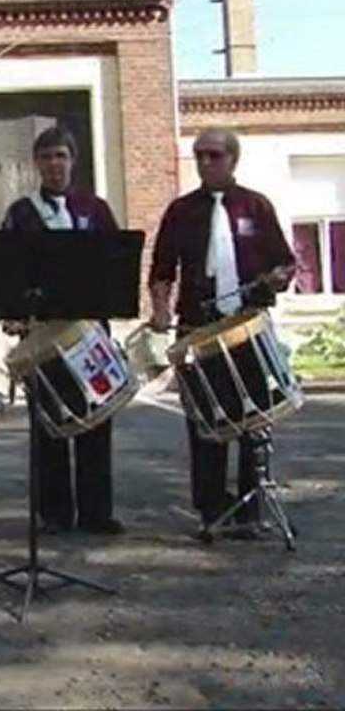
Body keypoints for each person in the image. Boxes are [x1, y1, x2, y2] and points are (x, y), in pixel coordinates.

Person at [148, 127, 295, 538]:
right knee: (206, 421)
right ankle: (212, 508)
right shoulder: (181, 210)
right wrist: (160, 309)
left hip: (247, 326)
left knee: (253, 416)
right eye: (199, 156)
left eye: (214, 155)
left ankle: (251, 510)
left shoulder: (256, 206)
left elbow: (283, 262)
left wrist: (279, 277)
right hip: (198, 326)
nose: (206, 163)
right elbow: (161, 268)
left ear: (233, 159)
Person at [1, 125, 125, 535]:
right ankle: (54, 513)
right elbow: (8, 270)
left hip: (89, 333)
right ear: (36, 163)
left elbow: (114, 263)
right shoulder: (21, 214)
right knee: (49, 425)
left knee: (95, 420)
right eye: (47, 156)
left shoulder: (96, 209)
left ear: (74, 161)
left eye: (61, 156)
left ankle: (97, 512)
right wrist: (13, 310)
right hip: (43, 335)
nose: (55, 164)